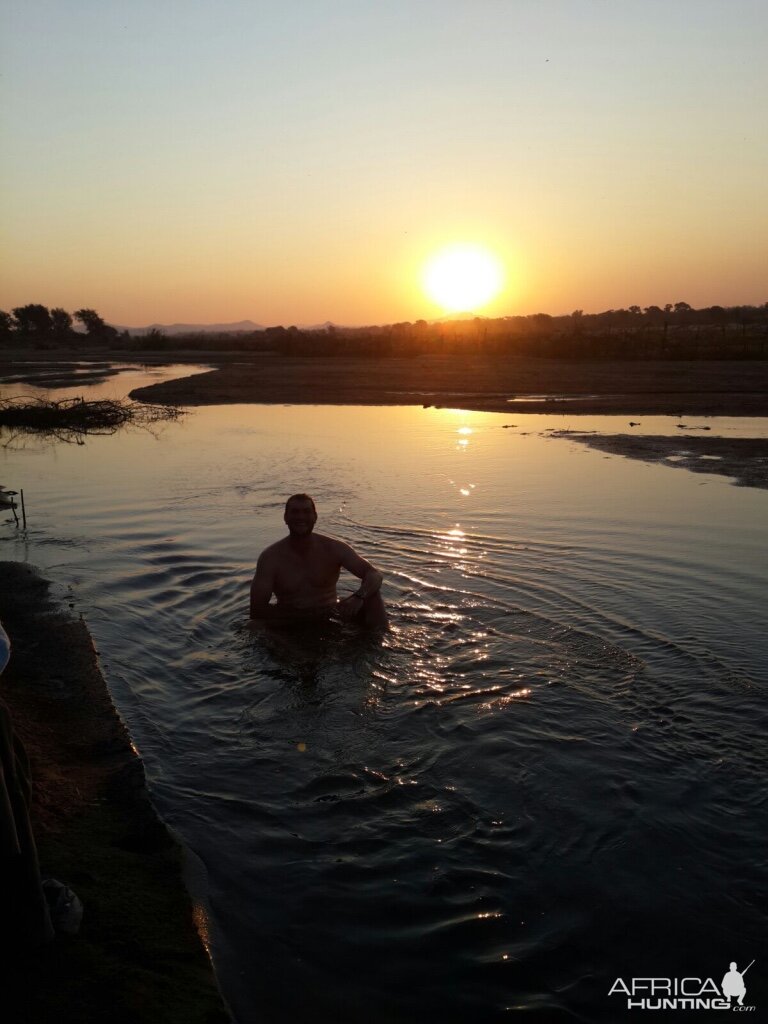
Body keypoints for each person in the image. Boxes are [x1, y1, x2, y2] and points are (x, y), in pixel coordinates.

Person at [249, 494, 388, 629]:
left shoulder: (334, 548)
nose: (301, 517)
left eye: (306, 512)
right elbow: (257, 610)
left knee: (372, 594)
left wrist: (359, 597)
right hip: (291, 621)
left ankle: (381, 644)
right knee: (255, 626)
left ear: (315, 517)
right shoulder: (270, 558)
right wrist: (300, 616)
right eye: (295, 512)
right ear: (286, 518)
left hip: (331, 615)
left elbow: (375, 575)